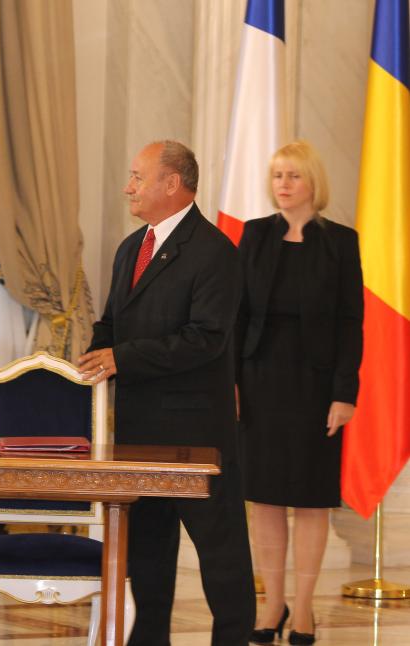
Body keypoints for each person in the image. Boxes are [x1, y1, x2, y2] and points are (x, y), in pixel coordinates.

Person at [78, 140, 256, 645]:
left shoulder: (215, 252)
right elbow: (112, 324)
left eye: (138, 176)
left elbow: (206, 339)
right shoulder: (130, 248)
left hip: (197, 434)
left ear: (172, 183)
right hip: (139, 431)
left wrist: (123, 358)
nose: (128, 187)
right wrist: (92, 358)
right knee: (149, 552)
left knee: (221, 556)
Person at [237, 141, 363, 645]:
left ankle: (304, 607)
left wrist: (344, 393)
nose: (283, 185)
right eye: (277, 176)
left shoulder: (341, 242)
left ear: (313, 183)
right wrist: (232, 383)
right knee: (265, 499)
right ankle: (273, 605)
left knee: (311, 500)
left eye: (293, 176)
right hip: (260, 381)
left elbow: (351, 323)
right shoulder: (254, 235)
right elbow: (237, 314)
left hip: (316, 387)